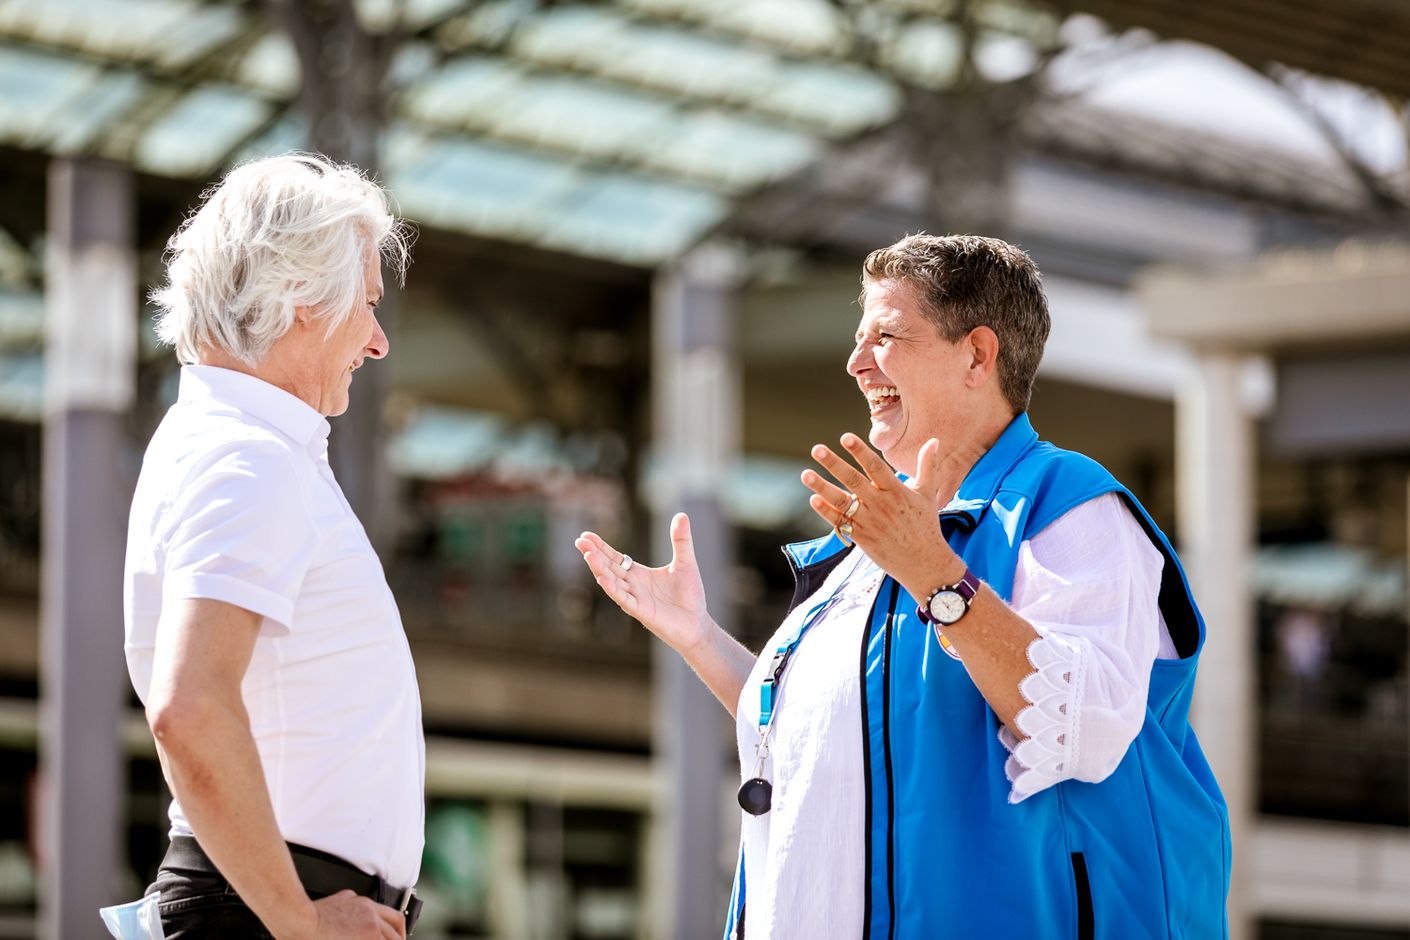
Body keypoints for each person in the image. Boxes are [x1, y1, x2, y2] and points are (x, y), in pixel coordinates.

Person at [576, 234, 1229, 938]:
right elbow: (820, 733)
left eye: (885, 336)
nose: (856, 365)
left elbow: (1087, 725)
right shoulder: (868, 547)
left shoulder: (1070, 506)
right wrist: (699, 637)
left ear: (978, 355)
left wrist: (933, 573)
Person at [122, 153, 422, 939]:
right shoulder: (247, 456)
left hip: (260, 904)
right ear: (300, 299)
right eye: (365, 304)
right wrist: (302, 926)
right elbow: (189, 707)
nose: (380, 340)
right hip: (266, 912)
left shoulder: (235, 444)